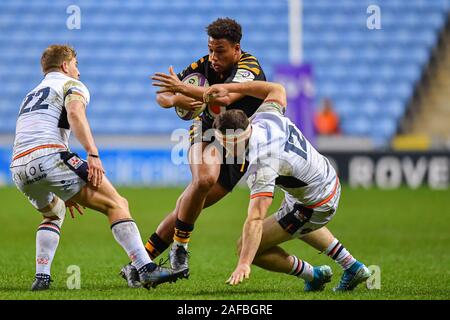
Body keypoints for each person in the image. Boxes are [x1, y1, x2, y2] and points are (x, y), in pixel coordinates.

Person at [9, 44, 181, 291]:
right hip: (50, 155)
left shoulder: (30, 95)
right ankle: (146, 268)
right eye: (76, 65)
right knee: (117, 204)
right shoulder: (71, 85)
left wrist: (61, 187)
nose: (78, 72)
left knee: (53, 213)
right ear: (66, 65)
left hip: (18, 167)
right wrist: (92, 154)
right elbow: (76, 114)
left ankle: (42, 277)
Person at [120, 18, 267, 286]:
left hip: (238, 146)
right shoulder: (203, 65)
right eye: (210, 49)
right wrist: (177, 97)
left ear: (236, 49)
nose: (213, 57)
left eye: (219, 50)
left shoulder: (249, 68)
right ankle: (180, 249)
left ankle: (137, 264)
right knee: (203, 179)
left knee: (187, 207)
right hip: (208, 132)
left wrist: (184, 89)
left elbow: (222, 97)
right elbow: (163, 95)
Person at [204, 81, 371, 291]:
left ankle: (313, 275)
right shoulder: (265, 117)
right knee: (290, 215)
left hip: (317, 204)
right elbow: (277, 89)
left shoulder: (262, 162)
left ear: (235, 141)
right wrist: (233, 88)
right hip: (325, 179)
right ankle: (353, 266)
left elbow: (255, 218)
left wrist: (244, 262)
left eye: (224, 143)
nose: (223, 149)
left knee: (247, 247)